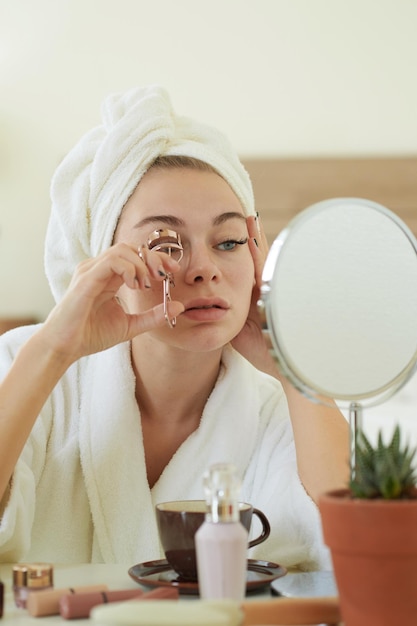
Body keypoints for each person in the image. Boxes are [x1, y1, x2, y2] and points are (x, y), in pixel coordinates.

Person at [0, 85, 349, 566]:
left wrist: (293, 369)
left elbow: (349, 552)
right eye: (165, 242)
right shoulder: (26, 367)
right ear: (107, 261)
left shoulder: (282, 409)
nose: (204, 268)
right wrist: (54, 349)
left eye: (228, 241)